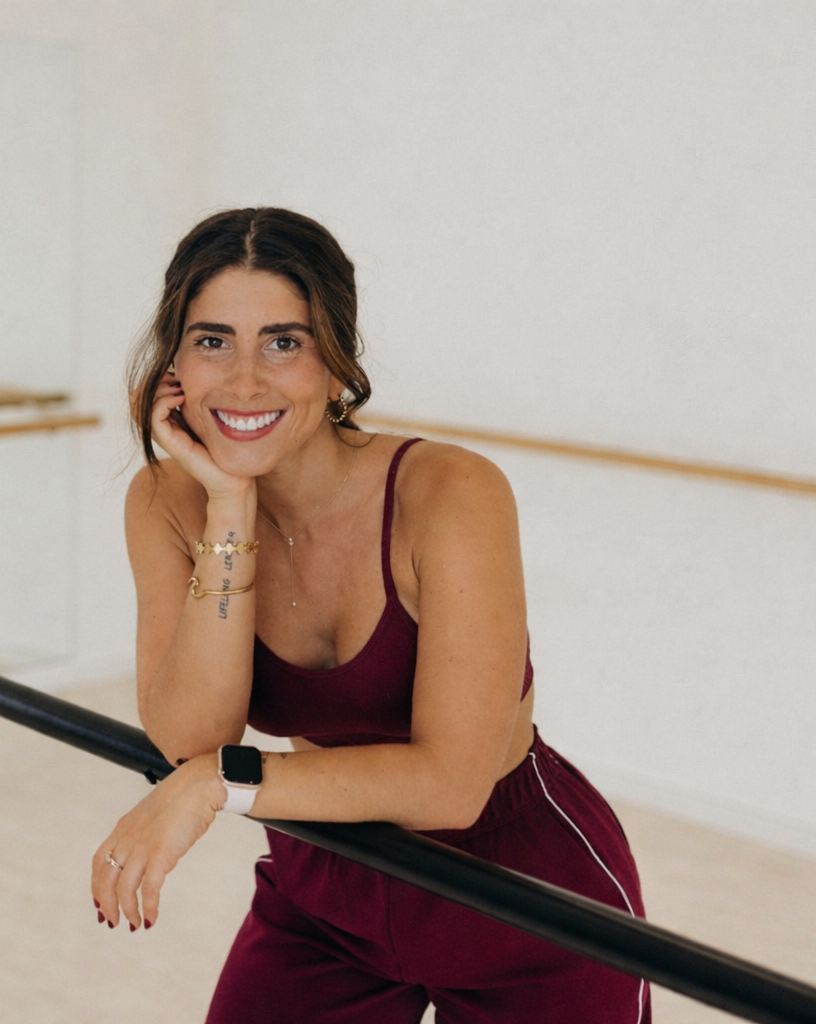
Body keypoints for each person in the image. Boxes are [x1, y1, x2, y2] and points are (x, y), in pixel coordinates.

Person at [90, 207, 649, 1023]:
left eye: (285, 342)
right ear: (173, 361)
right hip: (325, 876)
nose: (244, 380)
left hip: (517, 890)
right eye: (213, 341)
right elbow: (191, 737)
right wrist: (230, 509)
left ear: (338, 364)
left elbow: (452, 786)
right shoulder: (168, 502)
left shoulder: (452, 492)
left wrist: (221, 782)